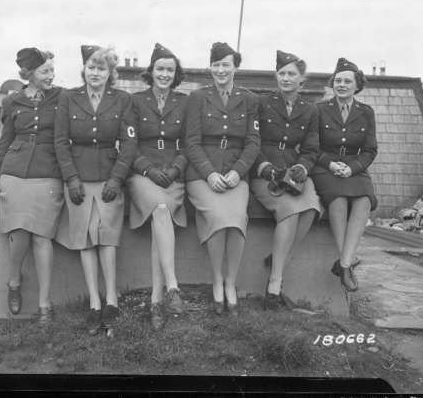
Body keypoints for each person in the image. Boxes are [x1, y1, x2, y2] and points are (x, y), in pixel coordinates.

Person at [54, 45, 137, 335]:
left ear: (110, 73)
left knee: (107, 238)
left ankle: (111, 300)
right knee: (85, 239)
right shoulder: (68, 98)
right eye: (91, 67)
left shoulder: (122, 100)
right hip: (78, 178)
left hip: (107, 178)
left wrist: (116, 179)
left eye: (101, 68)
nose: (95, 73)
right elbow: (60, 141)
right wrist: (71, 178)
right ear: (84, 69)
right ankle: (93, 303)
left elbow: (129, 143)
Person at [0, 48, 64, 323]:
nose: (51, 76)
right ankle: (14, 281)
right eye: (45, 72)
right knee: (20, 233)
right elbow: (6, 140)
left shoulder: (62, 98)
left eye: (52, 70)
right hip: (14, 173)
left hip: (48, 172)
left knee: (42, 237)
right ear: (29, 75)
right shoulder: (12, 102)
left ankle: (44, 304)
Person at [185, 42, 260, 316]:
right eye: (215, 65)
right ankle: (217, 281)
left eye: (225, 65)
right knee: (217, 216)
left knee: (237, 217)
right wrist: (210, 173)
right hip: (202, 175)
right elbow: (191, 143)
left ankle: (231, 283)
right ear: (210, 68)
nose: (220, 70)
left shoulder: (250, 99)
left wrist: (237, 172)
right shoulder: (198, 98)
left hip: (234, 175)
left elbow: (253, 143)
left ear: (235, 67)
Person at [251, 50, 323, 309]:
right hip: (267, 175)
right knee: (291, 211)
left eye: (291, 73)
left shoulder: (310, 110)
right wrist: (265, 166)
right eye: (281, 73)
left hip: (295, 174)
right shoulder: (263, 103)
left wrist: (303, 167)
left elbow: (312, 149)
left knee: (311, 208)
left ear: (301, 79)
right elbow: (252, 142)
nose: (286, 78)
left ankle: (278, 258)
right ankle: (274, 286)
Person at [127, 43, 188, 330]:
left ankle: (155, 302)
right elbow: (129, 145)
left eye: (170, 70)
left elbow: (190, 143)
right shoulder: (135, 101)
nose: (164, 74)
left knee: (159, 217)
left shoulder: (185, 102)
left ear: (176, 74)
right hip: (143, 175)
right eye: (160, 69)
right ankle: (173, 287)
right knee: (160, 208)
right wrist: (148, 169)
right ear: (151, 72)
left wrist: (176, 168)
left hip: (173, 175)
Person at [311, 57, 378, 292]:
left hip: (354, 166)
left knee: (363, 201)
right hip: (325, 165)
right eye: (337, 80)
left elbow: (370, 150)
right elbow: (311, 146)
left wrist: (353, 167)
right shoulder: (319, 110)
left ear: (356, 84)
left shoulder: (366, 112)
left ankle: (344, 263)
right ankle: (347, 264)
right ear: (332, 83)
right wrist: (330, 164)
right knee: (337, 201)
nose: (341, 85)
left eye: (347, 81)